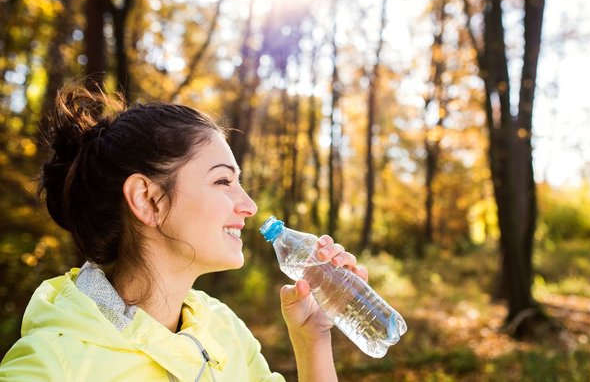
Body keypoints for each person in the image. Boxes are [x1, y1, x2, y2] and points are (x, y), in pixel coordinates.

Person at [0, 84, 368, 381]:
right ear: (147, 199)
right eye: (223, 180)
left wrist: (312, 340)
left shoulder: (222, 327)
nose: (249, 206)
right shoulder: (51, 365)